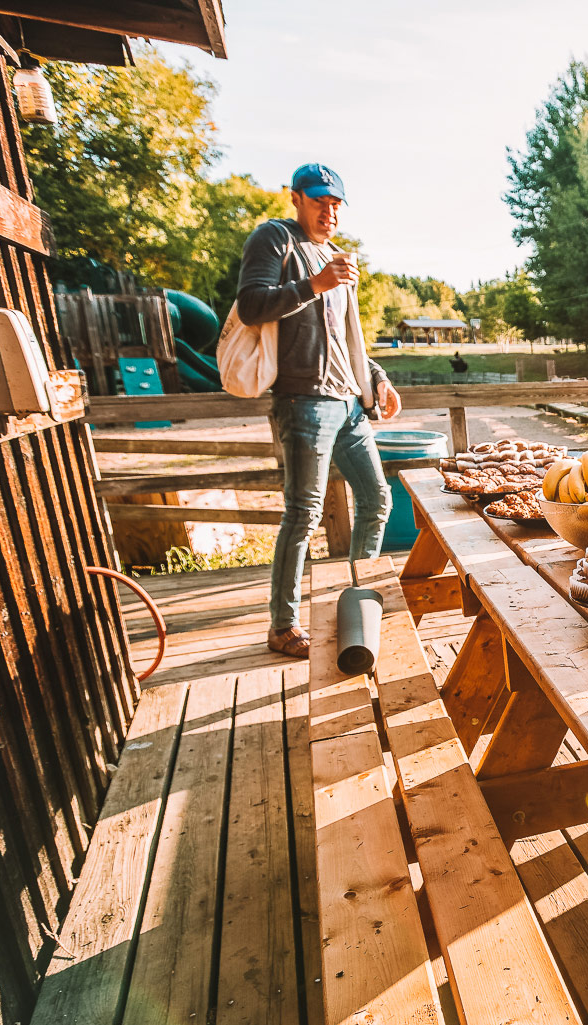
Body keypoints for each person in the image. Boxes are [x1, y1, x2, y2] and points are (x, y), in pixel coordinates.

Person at [236, 163, 402, 659]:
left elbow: (345, 337)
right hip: (303, 401)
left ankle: (356, 602)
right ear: (295, 199)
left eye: (336, 205)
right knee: (304, 514)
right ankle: (283, 626)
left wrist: (376, 377)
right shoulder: (274, 240)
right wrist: (315, 283)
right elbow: (250, 306)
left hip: (349, 403)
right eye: (318, 202)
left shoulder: (337, 257)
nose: (328, 213)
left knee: (377, 500)